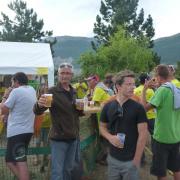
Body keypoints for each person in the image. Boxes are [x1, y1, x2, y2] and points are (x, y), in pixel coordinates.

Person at [33, 62, 82, 180]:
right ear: (58, 75)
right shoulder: (52, 91)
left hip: (73, 137)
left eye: (67, 73)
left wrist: (81, 109)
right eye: (62, 73)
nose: (65, 76)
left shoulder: (74, 91)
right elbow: (38, 110)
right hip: (59, 138)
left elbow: (75, 113)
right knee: (57, 172)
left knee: (68, 169)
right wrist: (39, 105)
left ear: (72, 75)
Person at [100, 70, 148, 180]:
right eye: (128, 84)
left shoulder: (138, 108)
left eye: (133, 84)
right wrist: (110, 137)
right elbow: (102, 127)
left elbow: (143, 134)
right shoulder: (108, 106)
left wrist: (136, 159)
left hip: (131, 160)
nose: (133, 87)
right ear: (118, 86)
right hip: (112, 159)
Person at [142, 64, 180, 180]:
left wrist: (144, 89)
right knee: (176, 168)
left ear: (158, 76)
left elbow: (144, 108)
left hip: (161, 138)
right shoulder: (177, 89)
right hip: (176, 137)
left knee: (161, 171)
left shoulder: (162, 90)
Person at [0, 72, 37, 180]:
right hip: (27, 131)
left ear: (16, 81)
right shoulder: (31, 89)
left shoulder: (16, 91)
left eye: (12, 82)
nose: (11, 85)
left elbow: (3, 109)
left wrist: (5, 96)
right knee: (9, 160)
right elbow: (18, 107)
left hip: (17, 132)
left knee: (20, 161)